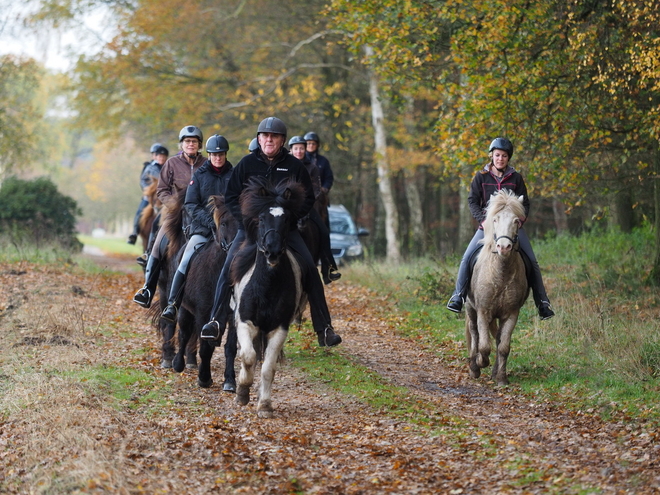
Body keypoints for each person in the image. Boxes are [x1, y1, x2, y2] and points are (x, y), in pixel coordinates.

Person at [200, 117, 342, 347]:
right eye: (265, 136)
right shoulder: (246, 164)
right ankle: (215, 322)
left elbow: (308, 198)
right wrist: (246, 222)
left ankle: (324, 328)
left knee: (310, 269)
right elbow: (232, 197)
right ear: (258, 138)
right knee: (227, 267)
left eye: (274, 136)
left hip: (285, 231)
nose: (269, 140)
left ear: (282, 140)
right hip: (251, 230)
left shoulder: (294, 166)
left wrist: (290, 220)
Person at [446, 137, 555, 320]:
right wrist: (483, 220)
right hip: (488, 227)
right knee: (467, 257)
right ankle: (458, 296)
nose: (500, 159)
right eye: (497, 155)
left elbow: (525, 203)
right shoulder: (480, 177)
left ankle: (542, 303)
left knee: (532, 262)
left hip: (511, 228)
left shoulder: (516, 178)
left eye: (504, 156)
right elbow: (472, 201)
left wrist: (519, 221)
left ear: (508, 158)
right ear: (492, 156)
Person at [160, 135, 234, 322]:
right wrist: (210, 222)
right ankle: (173, 303)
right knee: (184, 259)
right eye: (214, 154)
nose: (218, 157)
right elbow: (191, 204)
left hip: (229, 230)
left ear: (225, 154)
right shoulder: (199, 176)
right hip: (203, 230)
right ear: (208, 154)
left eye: (221, 154)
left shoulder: (233, 175)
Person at [133, 125, 206, 308]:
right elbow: (162, 190)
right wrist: (175, 205)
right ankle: (148, 289)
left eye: (194, 142)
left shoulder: (206, 164)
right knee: (158, 244)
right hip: (174, 213)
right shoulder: (171, 164)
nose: (191, 144)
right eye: (187, 141)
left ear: (199, 145)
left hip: (200, 213)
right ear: (181, 144)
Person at [289, 135, 340, 284]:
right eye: (296, 148)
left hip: (308, 206)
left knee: (323, 231)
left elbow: (316, 189)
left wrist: (306, 202)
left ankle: (327, 269)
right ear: (291, 150)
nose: (299, 151)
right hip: (289, 206)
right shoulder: (286, 165)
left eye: (301, 148)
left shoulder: (313, 167)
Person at [128, 143, 169, 245]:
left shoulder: (169, 167)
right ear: (155, 156)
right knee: (140, 211)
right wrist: (149, 190)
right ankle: (135, 232)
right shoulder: (150, 167)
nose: (162, 158)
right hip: (150, 196)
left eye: (164, 156)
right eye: (160, 156)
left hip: (164, 196)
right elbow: (143, 181)